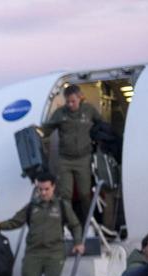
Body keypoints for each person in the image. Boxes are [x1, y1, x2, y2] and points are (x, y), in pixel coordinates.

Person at [41, 85, 101, 224]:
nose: (70, 104)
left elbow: (101, 124)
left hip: (83, 158)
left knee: (85, 194)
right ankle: (68, 225)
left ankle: (89, 224)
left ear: (80, 98)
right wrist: (37, 133)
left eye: (73, 101)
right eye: (67, 101)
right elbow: (46, 130)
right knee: (65, 195)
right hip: (65, 160)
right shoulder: (60, 113)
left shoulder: (89, 110)